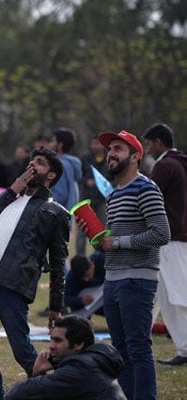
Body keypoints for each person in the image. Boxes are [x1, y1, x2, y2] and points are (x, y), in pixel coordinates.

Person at [0, 147, 69, 400]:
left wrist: (56, 305)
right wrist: (12, 190)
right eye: (30, 162)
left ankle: (51, 393)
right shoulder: (8, 198)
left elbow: (58, 263)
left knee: (22, 349)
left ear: (51, 175)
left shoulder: (55, 212)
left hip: (12, 283)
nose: (31, 167)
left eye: (39, 164)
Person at [85, 130, 170, 400]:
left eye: (118, 149)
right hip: (112, 280)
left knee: (138, 348)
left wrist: (118, 243)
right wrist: (97, 239)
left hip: (137, 280)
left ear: (135, 157)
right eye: (110, 150)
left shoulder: (146, 188)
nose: (111, 154)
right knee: (119, 351)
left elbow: (161, 234)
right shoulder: (113, 195)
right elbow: (110, 241)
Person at [142, 123, 187, 366]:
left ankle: (185, 347)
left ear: (158, 142)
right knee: (160, 292)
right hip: (178, 236)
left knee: (175, 296)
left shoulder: (165, 165)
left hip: (168, 238)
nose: (148, 149)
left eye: (149, 144)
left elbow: (148, 195)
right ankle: (138, 338)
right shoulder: (181, 163)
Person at [5, 315, 126, 400]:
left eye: (58, 341)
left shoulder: (79, 369)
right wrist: (38, 373)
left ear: (79, 344)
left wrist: (35, 375)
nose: (51, 346)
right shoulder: (95, 361)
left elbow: (17, 394)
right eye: (51, 340)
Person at [77, 133, 111, 256]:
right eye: (93, 143)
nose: (95, 146)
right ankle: (80, 258)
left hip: (103, 200)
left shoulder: (110, 159)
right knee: (82, 231)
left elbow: (114, 178)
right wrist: (86, 182)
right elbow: (77, 177)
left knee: (103, 230)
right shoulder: (84, 159)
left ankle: (100, 257)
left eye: (98, 143)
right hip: (86, 200)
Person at [48, 128, 82, 212]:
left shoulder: (60, 165)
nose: (49, 144)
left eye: (53, 141)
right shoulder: (70, 164)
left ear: (60, 145)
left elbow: (60, 196)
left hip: (58, 216)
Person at [65, 252, 106, 318]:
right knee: (79, 298)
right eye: (82, 278)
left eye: (88, 275)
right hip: (91, 304)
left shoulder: (102, 259)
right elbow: (66, 299)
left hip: (109, 298)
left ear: (92, 264)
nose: (86, 280)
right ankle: (82, 322)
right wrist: (81, 300)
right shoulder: (72, 276)